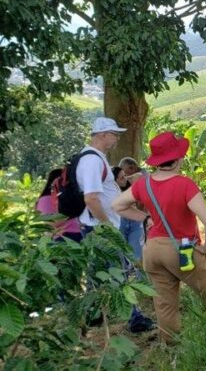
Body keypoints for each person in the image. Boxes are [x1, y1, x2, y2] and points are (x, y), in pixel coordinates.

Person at [112, 131, 206, 343]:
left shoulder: (144, 184)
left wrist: (146, 218)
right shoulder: (184, 184)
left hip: (152, 250)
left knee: (165, 303)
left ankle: (171, 344)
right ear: (177, 158)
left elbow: (117, 205)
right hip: (181, 249)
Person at [76, 117, 154, 332]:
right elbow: (91, 198)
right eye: (114, 134)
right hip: (102, 228)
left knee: (98, 272)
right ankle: (134, 318)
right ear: (102, 134)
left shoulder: (94, 158)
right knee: (120, 272)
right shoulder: (92, 161)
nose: (117, 138)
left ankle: (93, 314)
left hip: (96, 227)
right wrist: (107, 225)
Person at [36, 169, 82, 242]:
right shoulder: (47, 199)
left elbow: (50, 224)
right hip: (66, 235)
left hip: (67, 234)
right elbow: (51, 223)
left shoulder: (45, 199)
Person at [112, 166, 145, 266]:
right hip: (119, 222)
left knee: (137, 254)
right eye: (121, 178)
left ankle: (141, 279)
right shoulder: (112, 191)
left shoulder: (130, 186)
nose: (125, 178)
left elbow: (140, 175)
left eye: (125, 176)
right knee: (119, 255)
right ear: (114, 180)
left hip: (134, 222)